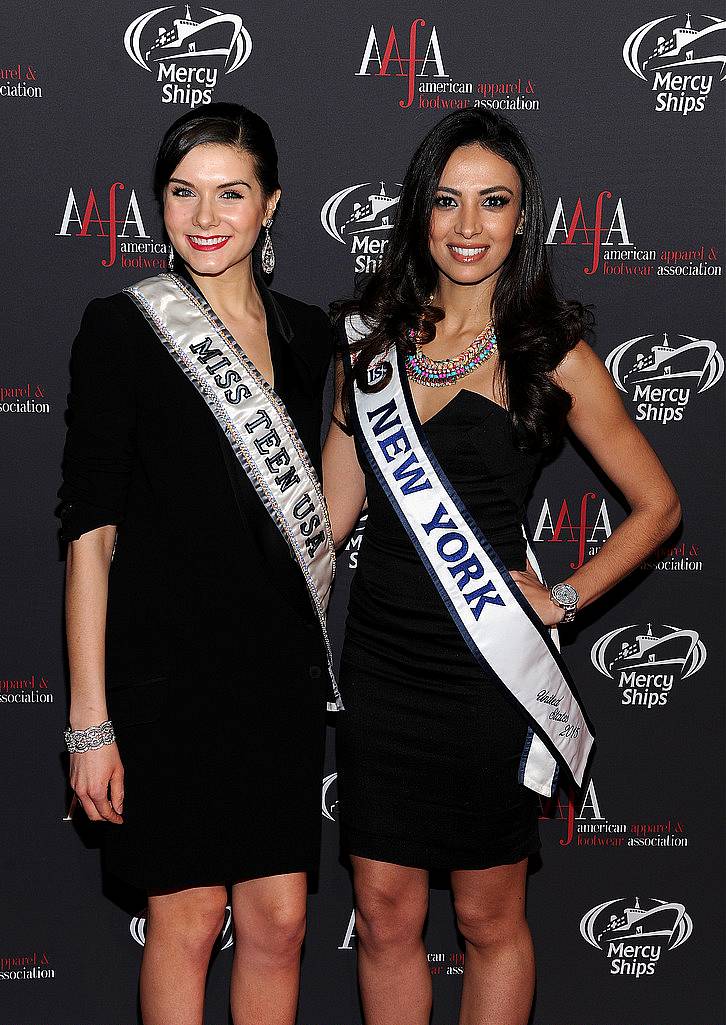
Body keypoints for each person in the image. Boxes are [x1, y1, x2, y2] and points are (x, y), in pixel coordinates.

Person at [322, 109, 681, 1025]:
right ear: (420, 214)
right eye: (448, 202)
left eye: (494, 202)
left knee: (488, 917)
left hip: (489, 674)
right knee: (385, 911)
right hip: (383, 667)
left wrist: (563, 597)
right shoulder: (365, 348)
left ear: (523, 218)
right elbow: (327, 520)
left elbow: (659, 506)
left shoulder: (547, 351)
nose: (469, 226)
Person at [58, 102, 338, 1025]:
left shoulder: (312, 337)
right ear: (160, 205)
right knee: (186, 917)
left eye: (231, 193)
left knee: (282, 920)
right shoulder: (122, 327)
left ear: (271, 206)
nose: (205, 216)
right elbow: (91, 534)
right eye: (183, 193)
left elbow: (328, 508)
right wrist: (91, 719)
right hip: (165, 675)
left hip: (274, 677)